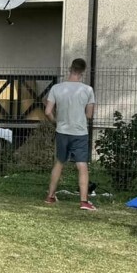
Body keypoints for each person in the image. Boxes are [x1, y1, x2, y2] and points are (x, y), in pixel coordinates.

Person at [44, 58, 97, 211]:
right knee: (82, 166)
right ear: (83, 72)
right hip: (79, 132)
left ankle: (50, 196)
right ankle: (84, 201)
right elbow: (89, 115)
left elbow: (48, 111)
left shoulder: (56, 88)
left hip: (62, 131)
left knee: (59, 162)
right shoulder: (87, 90)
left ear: (70, 69)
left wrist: (56, 122)